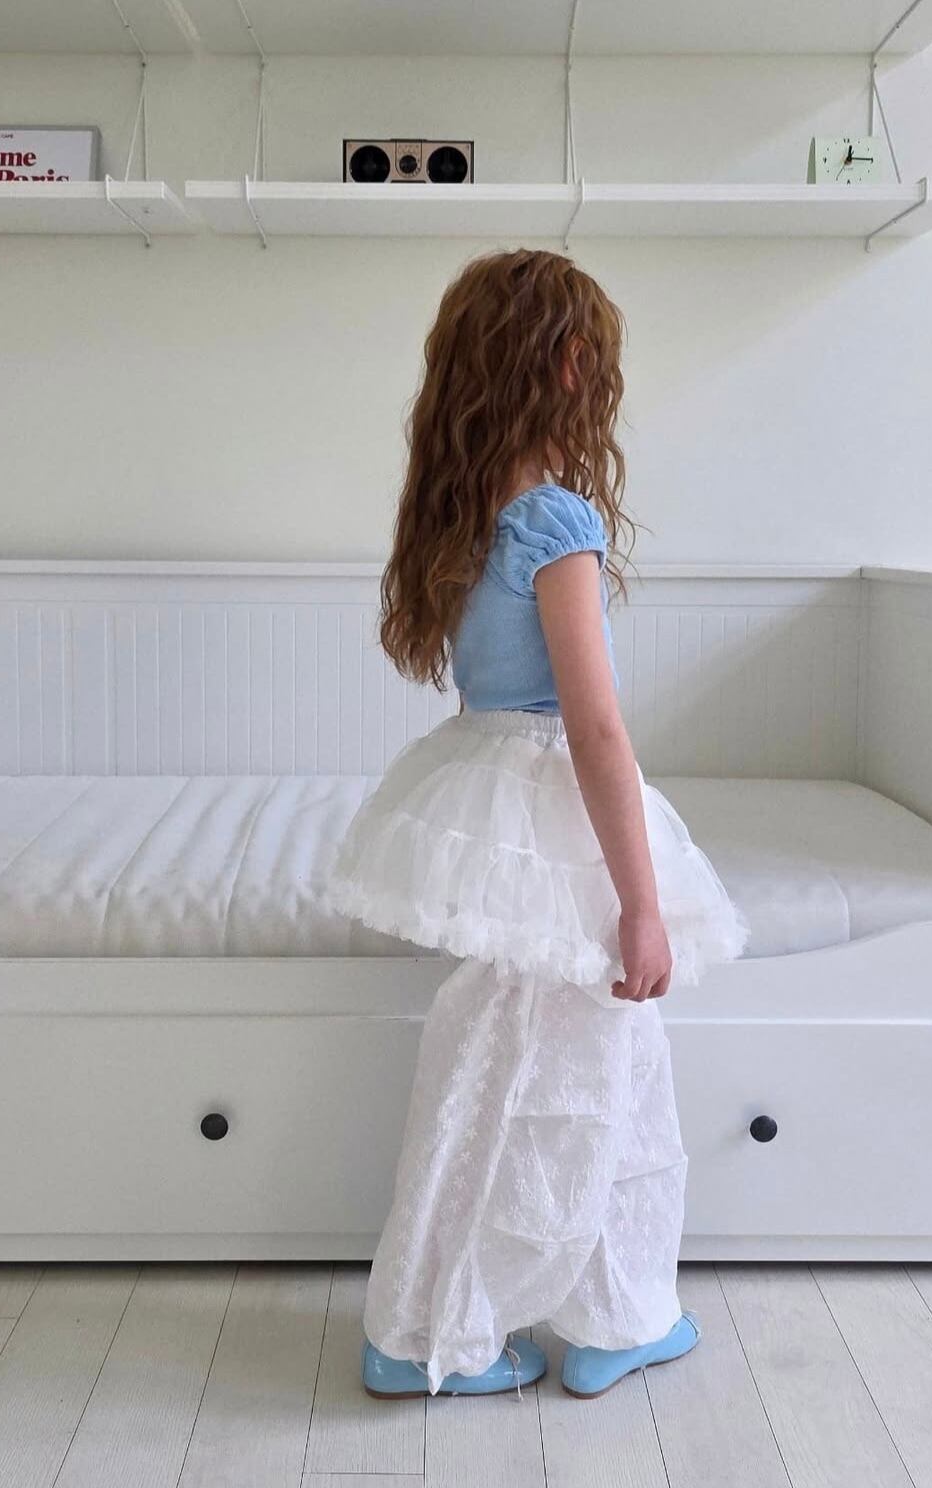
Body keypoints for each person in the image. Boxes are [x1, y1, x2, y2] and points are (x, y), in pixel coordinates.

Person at [320, 247, 746, 1401]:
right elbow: (594, 728)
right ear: (567, 364)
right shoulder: (555, 519)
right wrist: (642, 903)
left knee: (604, 1068)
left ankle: (623, 1309)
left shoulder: (466, 509)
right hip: (556, 813)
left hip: (498, 786)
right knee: (536, 1073)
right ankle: (426, 1332)